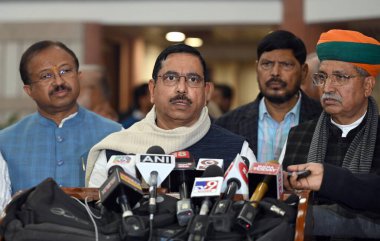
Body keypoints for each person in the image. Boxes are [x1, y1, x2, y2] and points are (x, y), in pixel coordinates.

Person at [86, 43, 256, 187]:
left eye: (193, 79)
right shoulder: (116, 150)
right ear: (152, 90)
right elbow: (96, 217)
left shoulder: (238, 152)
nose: (181, 88)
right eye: (171, 77)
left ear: (207, 93)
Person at [282, 29, 380, 240]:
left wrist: (329, 179)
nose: (327, 87)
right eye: (322, 77)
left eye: (340, 77)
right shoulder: (298, 134)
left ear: (367, 85)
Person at [0, 40, 122, 194]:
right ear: (29, 90)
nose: (58, 81)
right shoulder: (5, 143)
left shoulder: (115, 135)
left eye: (65, 71)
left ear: (78, 76)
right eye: (46, 76)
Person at [215, 30, 322, 162]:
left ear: (304, 71)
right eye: (267, 64)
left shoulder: (324, 120)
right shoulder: (226, 125)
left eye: (286, 65)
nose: (275, 73)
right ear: (257, 68)